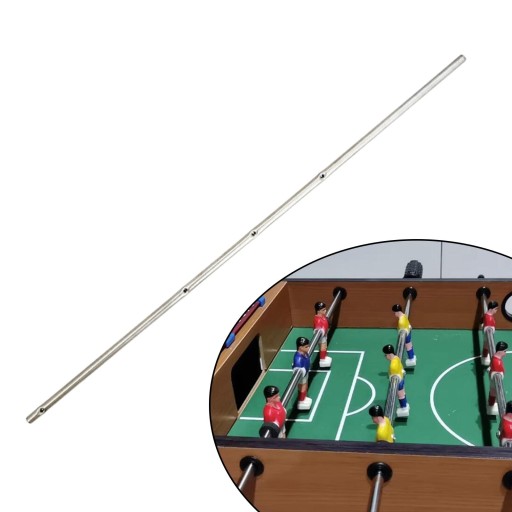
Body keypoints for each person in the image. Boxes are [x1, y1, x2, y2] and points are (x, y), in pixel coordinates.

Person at [383, 344, 410, 417]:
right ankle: (404, 405)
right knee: (403, 393)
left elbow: (393, 374)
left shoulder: (392, 366)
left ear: (389, 354)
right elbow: (401, 367)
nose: (386, 357)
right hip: (401, 378)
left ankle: (403, 407)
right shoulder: (397, 358)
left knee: (400, 396)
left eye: (385, 355)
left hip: (398, 382)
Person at [488, 341, 508, 415]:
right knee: (494, 392)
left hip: (493, 377)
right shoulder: (498, 362)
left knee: (493, 392)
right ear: (500, 352)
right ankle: (491, 404)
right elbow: (501, 370)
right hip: (495, 380)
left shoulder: (495, 358)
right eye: (505, 351)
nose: (505, 353)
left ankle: (491, 403)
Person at [293, 336, 312, 410]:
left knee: (305, 385)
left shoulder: (305, 353)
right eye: (306, 347)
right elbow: (297, 368)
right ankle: (301, 400)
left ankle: (304, 398)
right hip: (301, 376)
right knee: (302, 387)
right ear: (300, 347)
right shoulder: (298, 359)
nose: (308, 348)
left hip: (306, 373)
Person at [313, 301, 332, 368]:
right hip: (321, 337)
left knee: (324, 347)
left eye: (325, 309)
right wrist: (322, 332)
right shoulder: (318, 319)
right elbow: (318, 330)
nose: (325, 311)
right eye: (323, 310)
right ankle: (322, 360)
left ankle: (324, 357)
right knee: (322, 348)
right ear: (318, 311)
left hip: (324, 335)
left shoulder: (322, 316)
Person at [481, 301, 499, 366]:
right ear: (491, 309)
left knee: (486, 346)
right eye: (496, 309)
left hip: (487, 333)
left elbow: (482, 320)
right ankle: (485, 359)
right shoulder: (489, 318)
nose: (496, 310)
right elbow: (488, 327)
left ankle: (484, 356)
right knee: (488, 346)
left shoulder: (487, 315)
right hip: (488, 335)